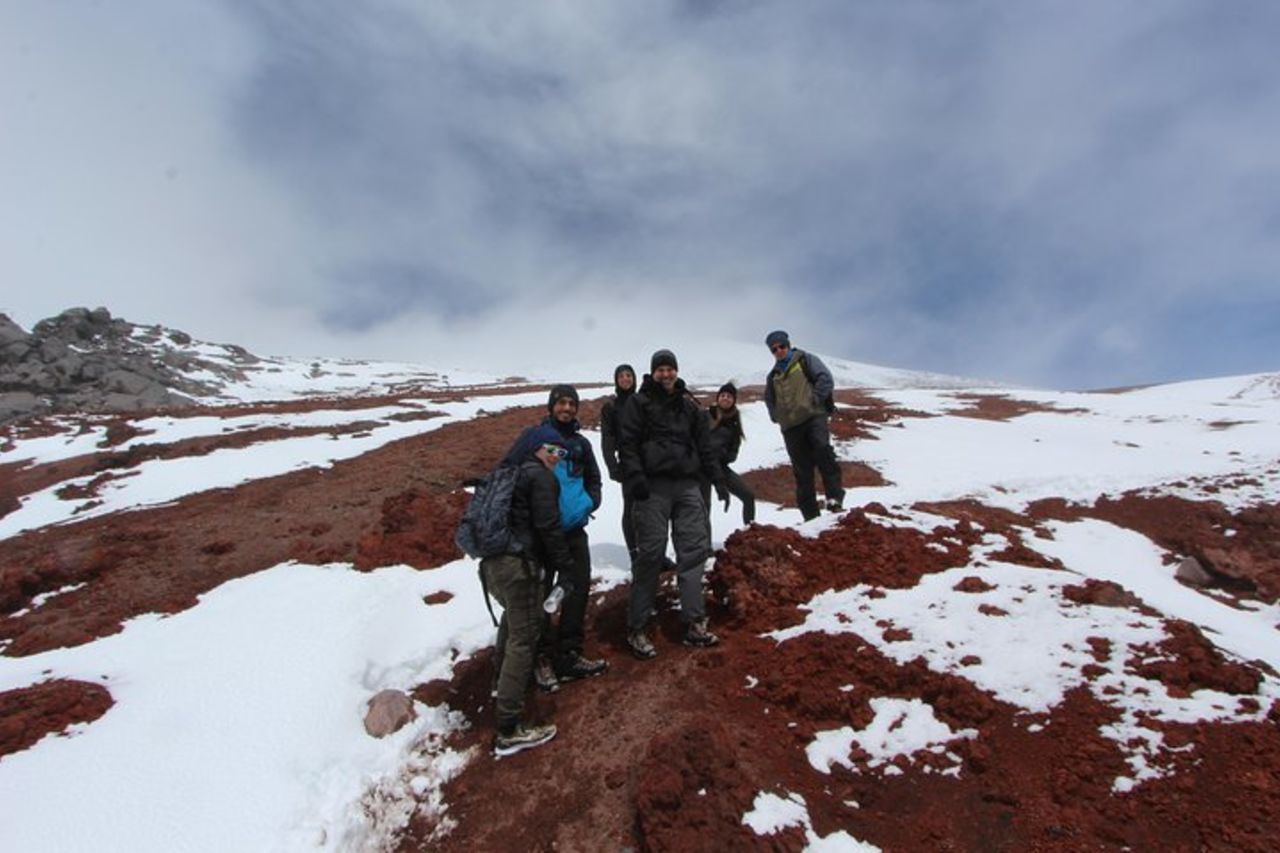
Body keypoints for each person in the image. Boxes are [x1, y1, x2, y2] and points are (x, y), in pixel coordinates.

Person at [618, 349, 728, 658]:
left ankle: (694, 622)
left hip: (688, 486)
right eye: (660, 369)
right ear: (653, 373)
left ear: (677, 372)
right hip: (653, 487)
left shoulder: (688, 407)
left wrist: (718, 480)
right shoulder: (639, 403)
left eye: (670, 369)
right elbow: (627, 444)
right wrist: (635, 477)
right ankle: (637, 626)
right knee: (651, 554)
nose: (666, 374)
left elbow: (705, 447)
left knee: (694, 551)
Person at [503, 385, 608, 689]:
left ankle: (569, 654)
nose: (567, 408)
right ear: (551, 407)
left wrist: (590, 501)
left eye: (572, 404)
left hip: (574, 530)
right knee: (540, 596)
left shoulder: (580, 444)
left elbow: (594, 477)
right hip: (540, 536)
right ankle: (540, 659)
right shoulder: (537, 439)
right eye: (561, 403)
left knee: (576, 591)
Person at [481, 439, 574, 756]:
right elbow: (548, 525)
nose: (556, 457)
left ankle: (498, 682)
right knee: (525, 637)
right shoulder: (541, 478)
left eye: (561, 453)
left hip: (493, 565)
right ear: (535, 449)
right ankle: (508, 728)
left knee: (512, 620)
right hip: (519, 567)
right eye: (551, 450)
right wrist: (565, 565)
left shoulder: (511, 474)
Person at [762, 330, 846, 521]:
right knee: (802, 471)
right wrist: (776, 416)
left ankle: (834, 499)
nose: (779, 351)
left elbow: (825, 378)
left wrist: (814, 400)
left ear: (788, 345)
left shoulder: (805, 360)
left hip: (813, 417)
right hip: (791, 427)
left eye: (781, 346)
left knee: (823, 452)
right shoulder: (773, 375)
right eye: (774, 349)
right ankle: (810, 515)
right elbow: (769, 398)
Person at [700, 382, 756, 526]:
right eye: (723, 395)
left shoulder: (734, 424)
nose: (725, 398)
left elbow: (734, 452)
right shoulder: (705, 416)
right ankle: (703, 545)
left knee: (748, 496)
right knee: (704, 507)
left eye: (729, 396)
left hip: (721, 467)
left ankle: (749, 530)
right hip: (702, 467)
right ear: (718, 398)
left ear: (734, 400)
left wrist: (723, 455)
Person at [599, 364, 638, 565]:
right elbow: (608, 439)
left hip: (650, 464)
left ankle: (653, 554)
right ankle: (635, 555)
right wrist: (612, 466)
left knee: (650, 511)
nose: (625, 379)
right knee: (631, 510)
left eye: (629, 375)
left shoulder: (642, 401)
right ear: (616, 380)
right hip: (628, 465)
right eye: (621, 376)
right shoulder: (611, 407)